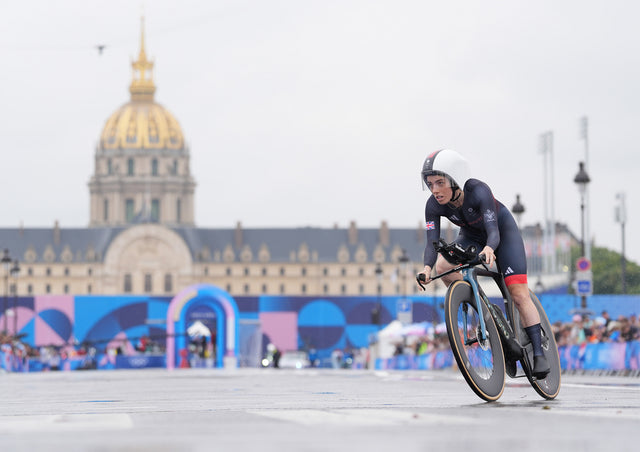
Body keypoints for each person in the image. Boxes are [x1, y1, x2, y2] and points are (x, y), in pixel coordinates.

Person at [416, 149, 550, 378]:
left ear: (456, 180)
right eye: (430, 184)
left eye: (440, 183)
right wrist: (426, 269)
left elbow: (493, 230)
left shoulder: (478, 190)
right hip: (470, 237)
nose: (435, 190)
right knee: (442, 267)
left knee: (518, 294)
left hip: (502, 234)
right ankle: (485, 309)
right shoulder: (433, 205)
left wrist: (490, 248)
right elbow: (432, 243)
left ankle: (539, 353)